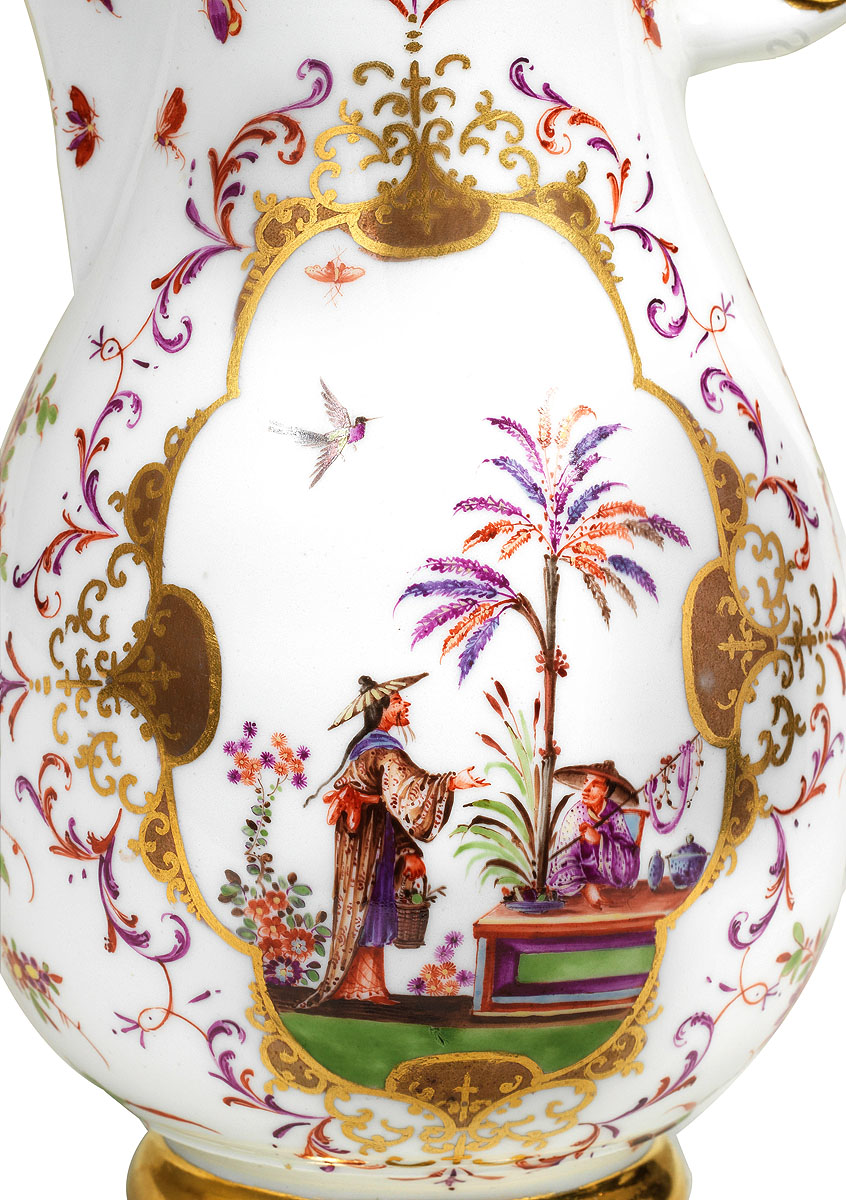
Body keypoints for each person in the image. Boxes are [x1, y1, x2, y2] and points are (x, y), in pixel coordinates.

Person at [299, 674, 486, 1008]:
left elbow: (391, 802)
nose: (406, 704)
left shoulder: (371, 747)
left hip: (369, 836)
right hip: (366, 839)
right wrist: (451, 783)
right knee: (367, 905)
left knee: (366, 905)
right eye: (398, 701)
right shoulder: (383, 749)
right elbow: (408, 791)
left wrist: (407, 849)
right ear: (382, 709)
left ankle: (366, 986)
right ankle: (361, 988)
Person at [547, 761, 640, 908]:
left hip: (610, 883)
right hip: (580, 880)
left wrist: (599, 841)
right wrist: (585, 886)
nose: (586, 789)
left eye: (595, 785)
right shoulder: (576, 814)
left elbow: (628, 857)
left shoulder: (614, 812)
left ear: (606, 790)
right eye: (586, 782)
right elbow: (563, 860)